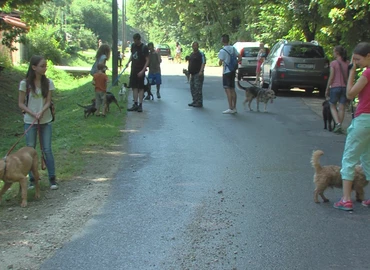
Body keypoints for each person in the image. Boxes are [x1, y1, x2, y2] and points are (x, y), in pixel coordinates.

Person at [334, 42, 370, 211]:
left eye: (358, 59)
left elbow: (350, 94)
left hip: (363, 120)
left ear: (369, 56)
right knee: (368, 159)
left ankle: (346, 199)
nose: (356, 62)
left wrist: (352, 73)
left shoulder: (367, 73)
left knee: (349, 158)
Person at [18, 55, 58, 190]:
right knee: (30, 149)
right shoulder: (25, 84)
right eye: (42, 66)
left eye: (46, 66)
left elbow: (48, 101)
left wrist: (41, 112)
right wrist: (32, 113)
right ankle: (32, 179)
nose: (45, 68)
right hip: (30, 121)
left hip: (45, 120)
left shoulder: (48, 83)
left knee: (47, 149)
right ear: (34, 67)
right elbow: (20, 103)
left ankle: (52, 179)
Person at [325, 45, 349, 134]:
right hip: (344, 87)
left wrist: (327, 88)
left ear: (337, 53)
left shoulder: (333, 63)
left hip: (335, 87)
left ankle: (337, 123)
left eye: (334, 51)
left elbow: (331, 77)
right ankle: (339, 126)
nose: (333, 53)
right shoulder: (347, 63)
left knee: (332, 105)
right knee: (342, 107)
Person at [125, 33, 149, 112]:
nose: (134, 42)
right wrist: (128, 62)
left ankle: (140, 105)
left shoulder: (144, 47)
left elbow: (147, 60)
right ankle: (135, 103)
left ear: (139, 39)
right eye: (134, 40)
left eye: (136, 40)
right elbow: (132, 55)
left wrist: (143, 70)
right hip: (133, 69)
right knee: (134, 87)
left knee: (141, 88)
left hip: (140, 70)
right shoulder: (133, 46)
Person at [218, 34, 241, 114]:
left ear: (222, 41)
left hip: (226, 71)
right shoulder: (233, 48)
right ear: (228, 40)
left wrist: (223, 61)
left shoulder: (222, 51)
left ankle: (230, 107)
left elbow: (220, 63)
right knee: (232, 89)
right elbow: (239, 57)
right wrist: (235, 63)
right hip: (233, 71)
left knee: (227, 89)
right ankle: (234, 107)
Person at [187, 42, 206, 107]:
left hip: (198, 73)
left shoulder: (200, 54)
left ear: (198, 46)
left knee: (198, 88)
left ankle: (199, 102)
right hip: (192, 74)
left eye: (196, 45)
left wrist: (201, 71)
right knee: (192, 88)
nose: (194, 47)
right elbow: (190, 64)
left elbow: (203, 62)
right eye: (193, 46)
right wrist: (188, 72)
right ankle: (194, 101)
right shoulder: (191, 54)